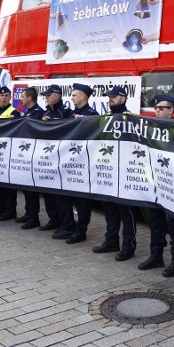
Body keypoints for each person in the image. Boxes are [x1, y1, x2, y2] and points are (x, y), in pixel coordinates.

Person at [143, 94, 174, 276]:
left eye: (162, 108)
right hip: (155, 182)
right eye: (156, 108)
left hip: (173, 185)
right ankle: (156, 255)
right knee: (155, 221)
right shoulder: (151, 128)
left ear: (171, 110)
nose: (158, 111)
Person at [93, 86, 138, 260]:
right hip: (107, 171)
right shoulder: (104, 118)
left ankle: (129, 246)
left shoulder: (131, 118)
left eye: (113, 97)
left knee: (126, 212)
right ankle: (111, 241)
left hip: (124, 173)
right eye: (108, 97)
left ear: (123, 98)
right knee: (109, 210)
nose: (109, 99)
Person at [52, 83, 98, 244]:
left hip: (83, 163)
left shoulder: (92, 114)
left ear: (84, 97)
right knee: (62, 195)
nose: (71, 98)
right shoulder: (71, 113)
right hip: (68, 162)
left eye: (74, 95)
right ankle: (67, 226)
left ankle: (81, 231)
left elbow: (95, 134)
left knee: (81, 200)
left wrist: (85, 122)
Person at [38, 84, 72, 231]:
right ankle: (54, 219)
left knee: (61, 196)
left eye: (48, 95)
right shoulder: (46, 112)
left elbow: (69, 131)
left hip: (61, 159)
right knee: (48, 194)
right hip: (48, 158)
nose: (46, 98)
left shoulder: (66, 112)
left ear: (57, 96)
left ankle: (67, 225)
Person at [0, 86, 21, 221]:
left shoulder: (14, 112)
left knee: (8, 184)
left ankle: (10, 210)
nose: (4, 98)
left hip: (8, 152)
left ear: (10, 98)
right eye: (2, 96)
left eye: (7, 95)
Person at [18, 87, 46, 230]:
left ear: (29, 98)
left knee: (32, 189)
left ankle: (34, 217)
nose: (21, 98)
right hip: (26, 153)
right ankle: (28, 213)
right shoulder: (28, 112)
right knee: (26, 187)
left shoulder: (37, 112)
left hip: (34, 154)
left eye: (23, 96)